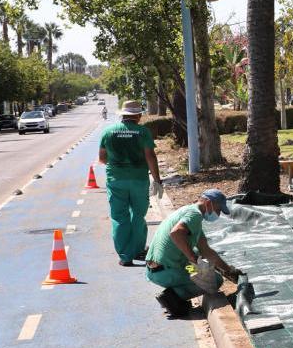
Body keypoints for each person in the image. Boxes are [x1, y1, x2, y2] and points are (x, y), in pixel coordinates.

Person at [146, 189, 242, 318]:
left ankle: (176, 292)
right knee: (215, 281)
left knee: (206, 268)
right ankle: (173, 297)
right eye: (218, 210)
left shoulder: (189, 213)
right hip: (168, 271)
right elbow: (176, 233)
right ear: (208, 203)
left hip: (159, 269)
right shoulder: (195, 214)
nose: (218, 214)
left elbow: (206, 251)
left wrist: (228, 270)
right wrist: (193, 259)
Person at [98, 100, 161, 266]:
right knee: (138, 216)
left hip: (116, 180)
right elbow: (150, 156)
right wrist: (157, 179)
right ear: (138, 116)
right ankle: (138, 250)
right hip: (138, 180)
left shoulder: (108, 132)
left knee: (119, 218)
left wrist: (118, 165)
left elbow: (102, 158)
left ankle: (125, 256)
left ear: (123, 115)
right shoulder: (143, 132)